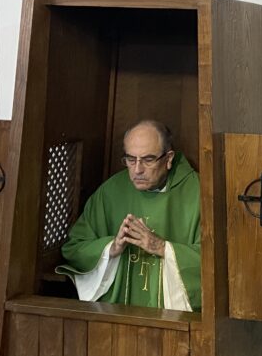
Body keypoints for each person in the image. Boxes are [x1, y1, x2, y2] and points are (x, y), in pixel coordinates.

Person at [56, 120, 200, 311]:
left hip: (177, 325)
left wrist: (162, 247)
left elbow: (219, 265)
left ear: (169, 158)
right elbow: (75, 248)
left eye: (148, 160)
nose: (137, 170)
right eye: (131, 160)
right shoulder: (110, 192)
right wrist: (111, 249)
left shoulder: (199, 194)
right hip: (116, 321)